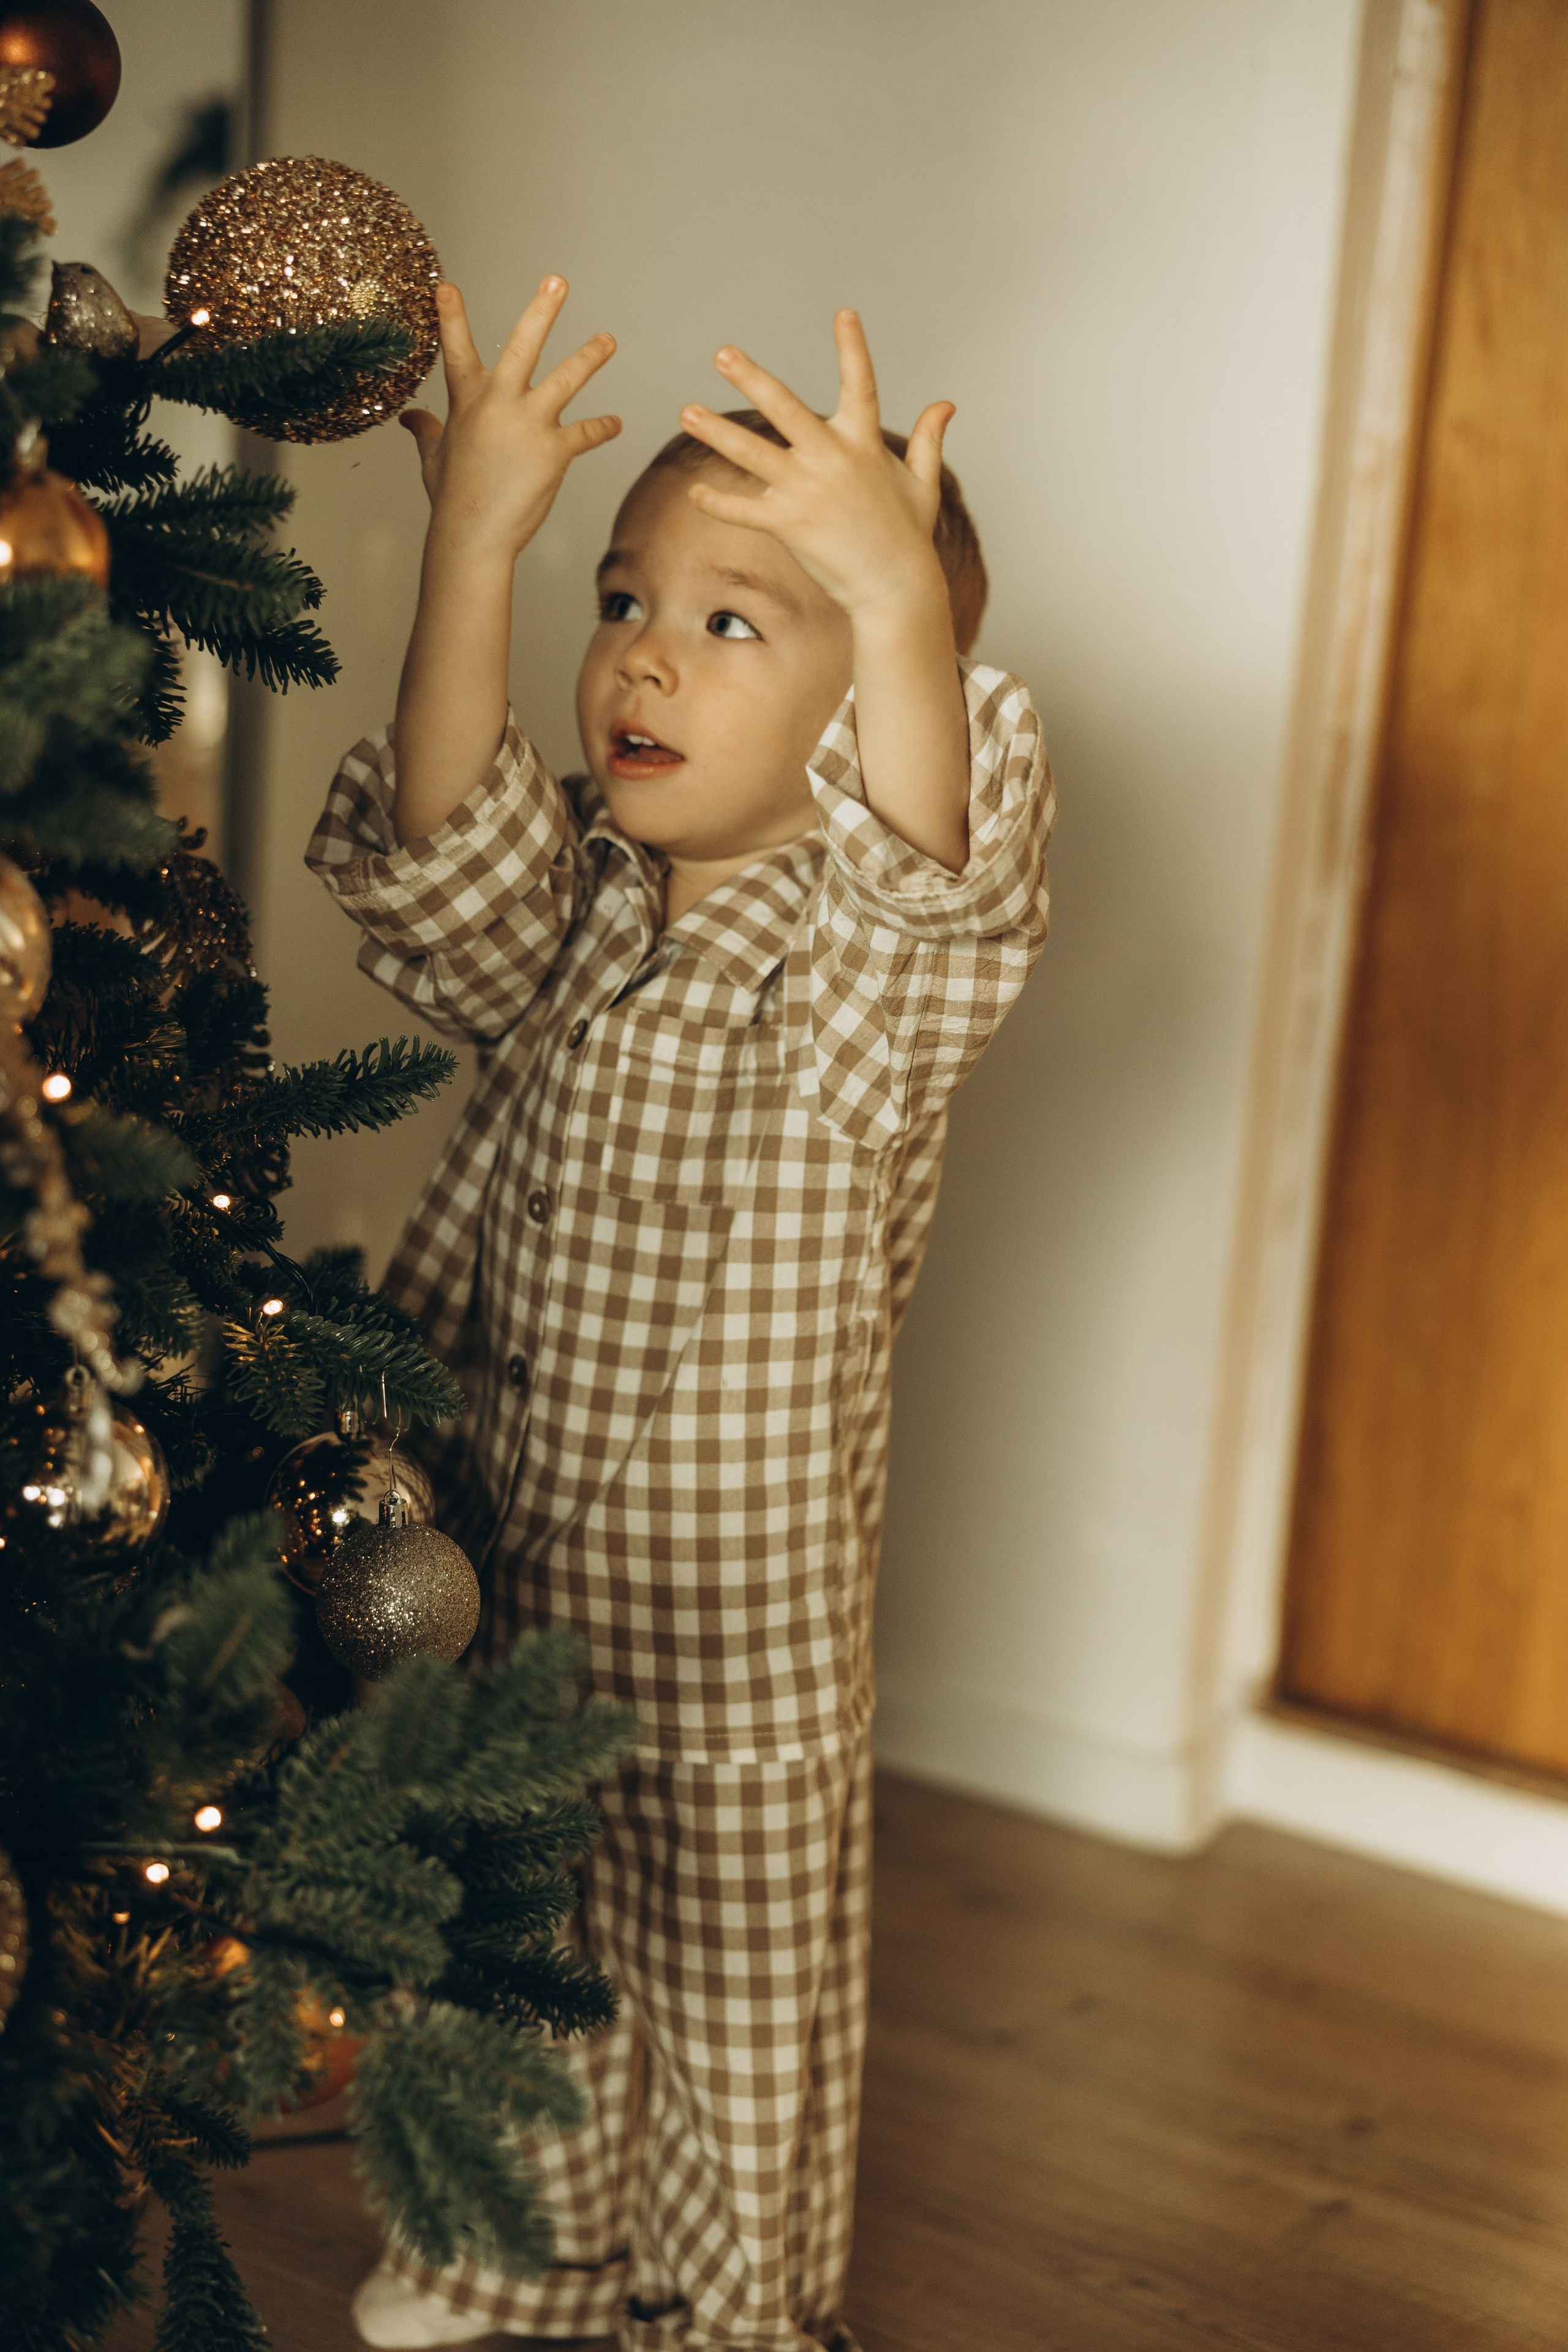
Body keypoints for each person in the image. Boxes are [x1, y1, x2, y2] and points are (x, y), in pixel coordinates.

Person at [308, 274, 1054, 2352]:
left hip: (732, 1629)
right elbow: (437, 860)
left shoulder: (862, 987)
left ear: (873, 693)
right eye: (626, 599)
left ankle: (731, 2315)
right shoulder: (576, 897)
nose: (641, 653)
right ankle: (501, 2253)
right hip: (489, 1557)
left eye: (736, 622)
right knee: (498, 1928)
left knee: (734, 1996)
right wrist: (478, 544)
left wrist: (896, 605)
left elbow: (939, 879)